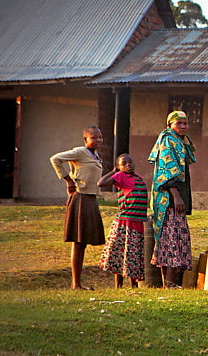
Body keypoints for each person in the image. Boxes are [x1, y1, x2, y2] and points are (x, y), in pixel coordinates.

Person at [50, 126, 106, 290]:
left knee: (84, 241)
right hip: (80, 197)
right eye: (94, 138)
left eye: (100, 137)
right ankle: (76, 283)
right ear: (85, 139)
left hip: (91, 198)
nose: (98, 141)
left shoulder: (95, 155)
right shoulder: (79, 151)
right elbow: (55, 159)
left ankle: (78, 283)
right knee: (78, 241)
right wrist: (68, 180)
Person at [149, 110, 196, 288]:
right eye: (179, 124)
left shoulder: (179, 141)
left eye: (185, 123)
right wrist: (176, 197)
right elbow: (166, 171)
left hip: (177, 195)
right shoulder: (168, 141)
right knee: (171, 237)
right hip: (168, 199)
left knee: (171, 237)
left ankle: (168, 282)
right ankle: (169, 283)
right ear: (170, 125)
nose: (183, 127)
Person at [98, 153, 147, 288]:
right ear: (119, 167)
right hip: (124, 223)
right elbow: (101, 183)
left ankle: (133, 285)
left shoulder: (138, 178)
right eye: (123, 163)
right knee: (120, 255)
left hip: (137, 223)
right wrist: (113, 172)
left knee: (133, 254)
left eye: (130, 162)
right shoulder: (120, 176)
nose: (128, 164)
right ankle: (118, 285)